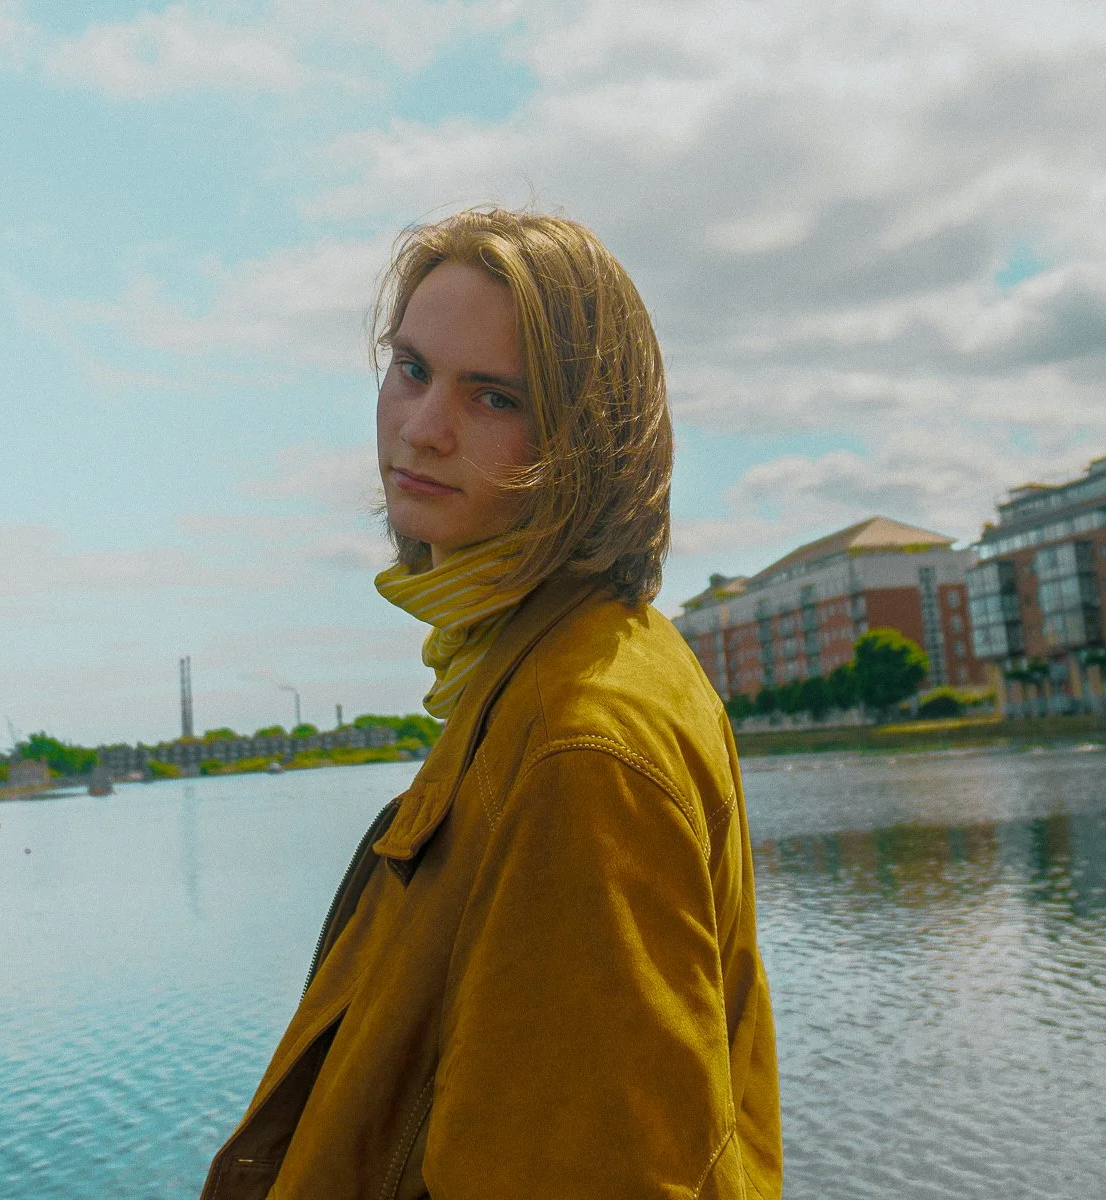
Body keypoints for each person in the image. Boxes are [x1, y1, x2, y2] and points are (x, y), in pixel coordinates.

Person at [201, 208, 781, 1199]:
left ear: (588, 438)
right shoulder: (550, 662)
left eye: (497, 396)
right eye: (412, 368)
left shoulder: (582, 743)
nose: (422, 427)